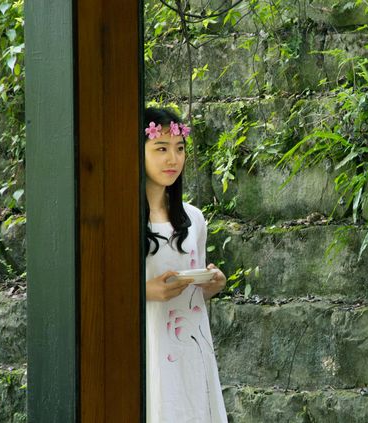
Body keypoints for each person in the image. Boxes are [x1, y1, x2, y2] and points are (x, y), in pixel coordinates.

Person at [144, 107, 228, 422]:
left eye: (179, 149)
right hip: (149, 346)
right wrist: (145, 291)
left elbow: (193, 287)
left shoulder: (194, 218)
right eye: (161, 149)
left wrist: (212, 284)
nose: (173, 159)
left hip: (191, 346)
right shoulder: (121, 218)